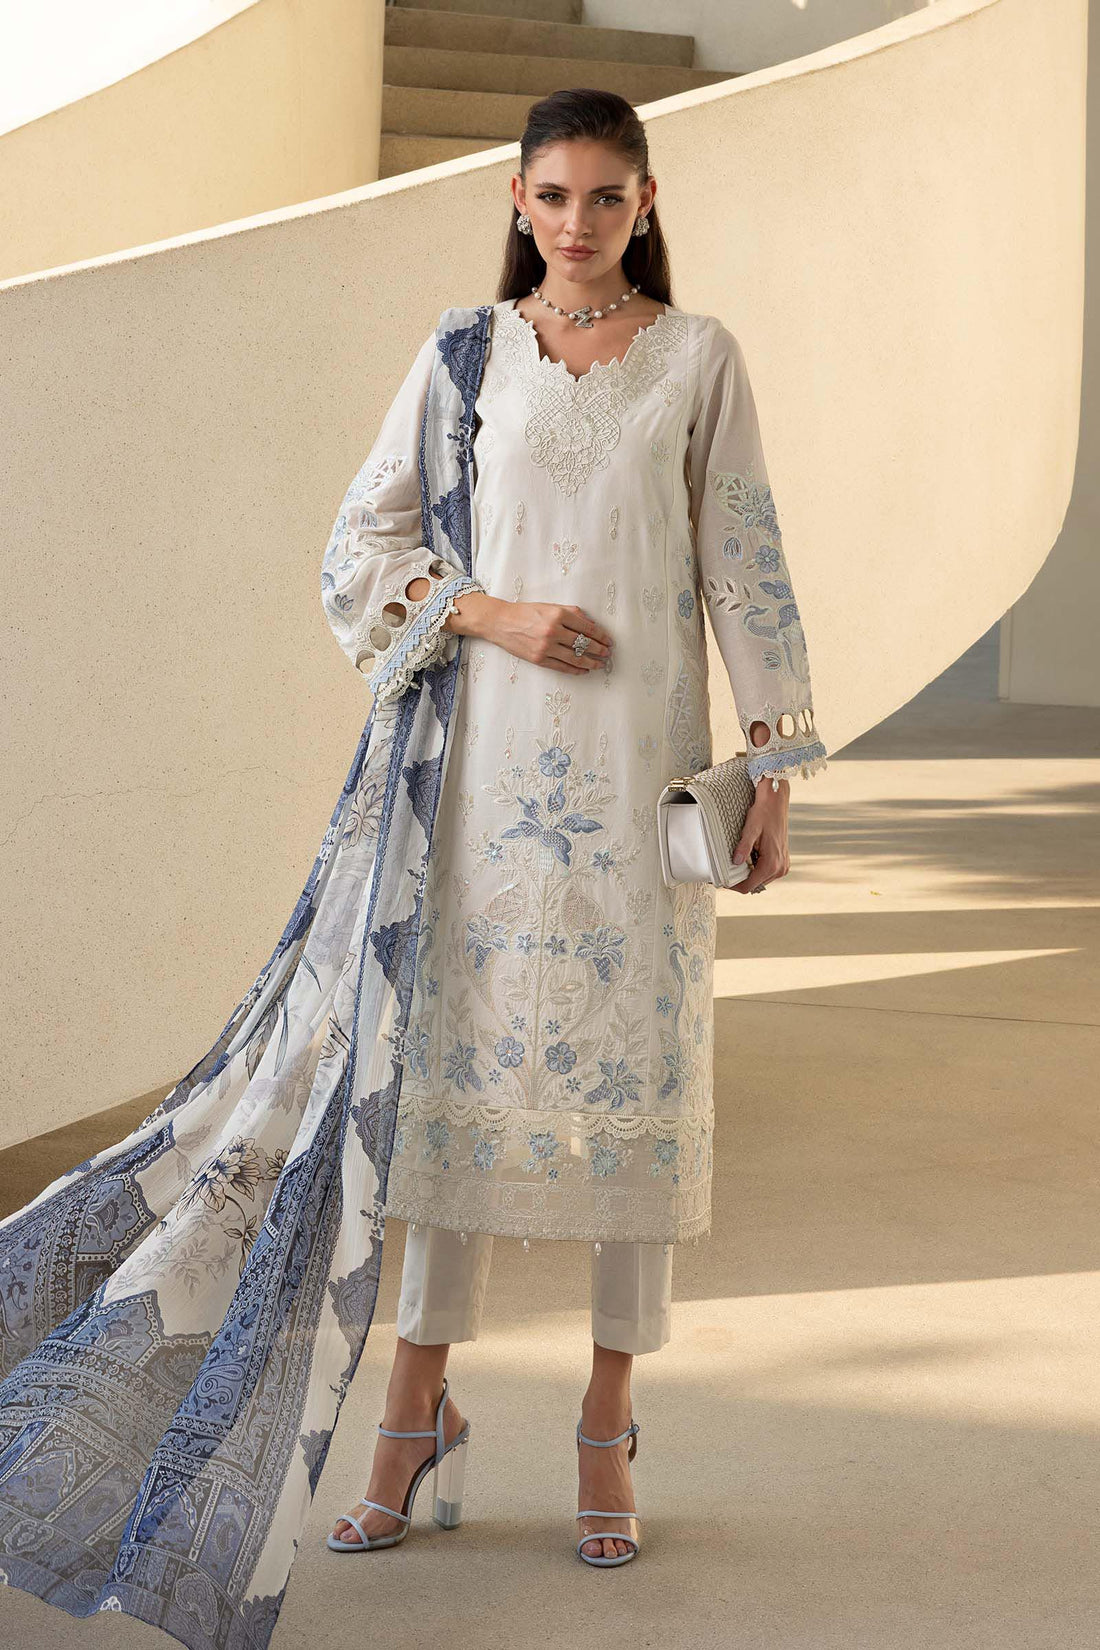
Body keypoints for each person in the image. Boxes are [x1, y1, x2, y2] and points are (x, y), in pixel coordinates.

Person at [322, 86, 827, 1567]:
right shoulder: (465, 354)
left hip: (637, 782)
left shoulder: (698, 357)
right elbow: (362, 543)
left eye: (608, 196)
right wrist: (494, 614)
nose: (578, 222)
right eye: (553, 195)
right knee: (452, 1085)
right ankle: (414, 1405)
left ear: (646, 202)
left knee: (632, 1089)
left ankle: (609, 1420)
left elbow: (744, 560)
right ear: (518, 200)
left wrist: (773, 767)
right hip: (483, 784)